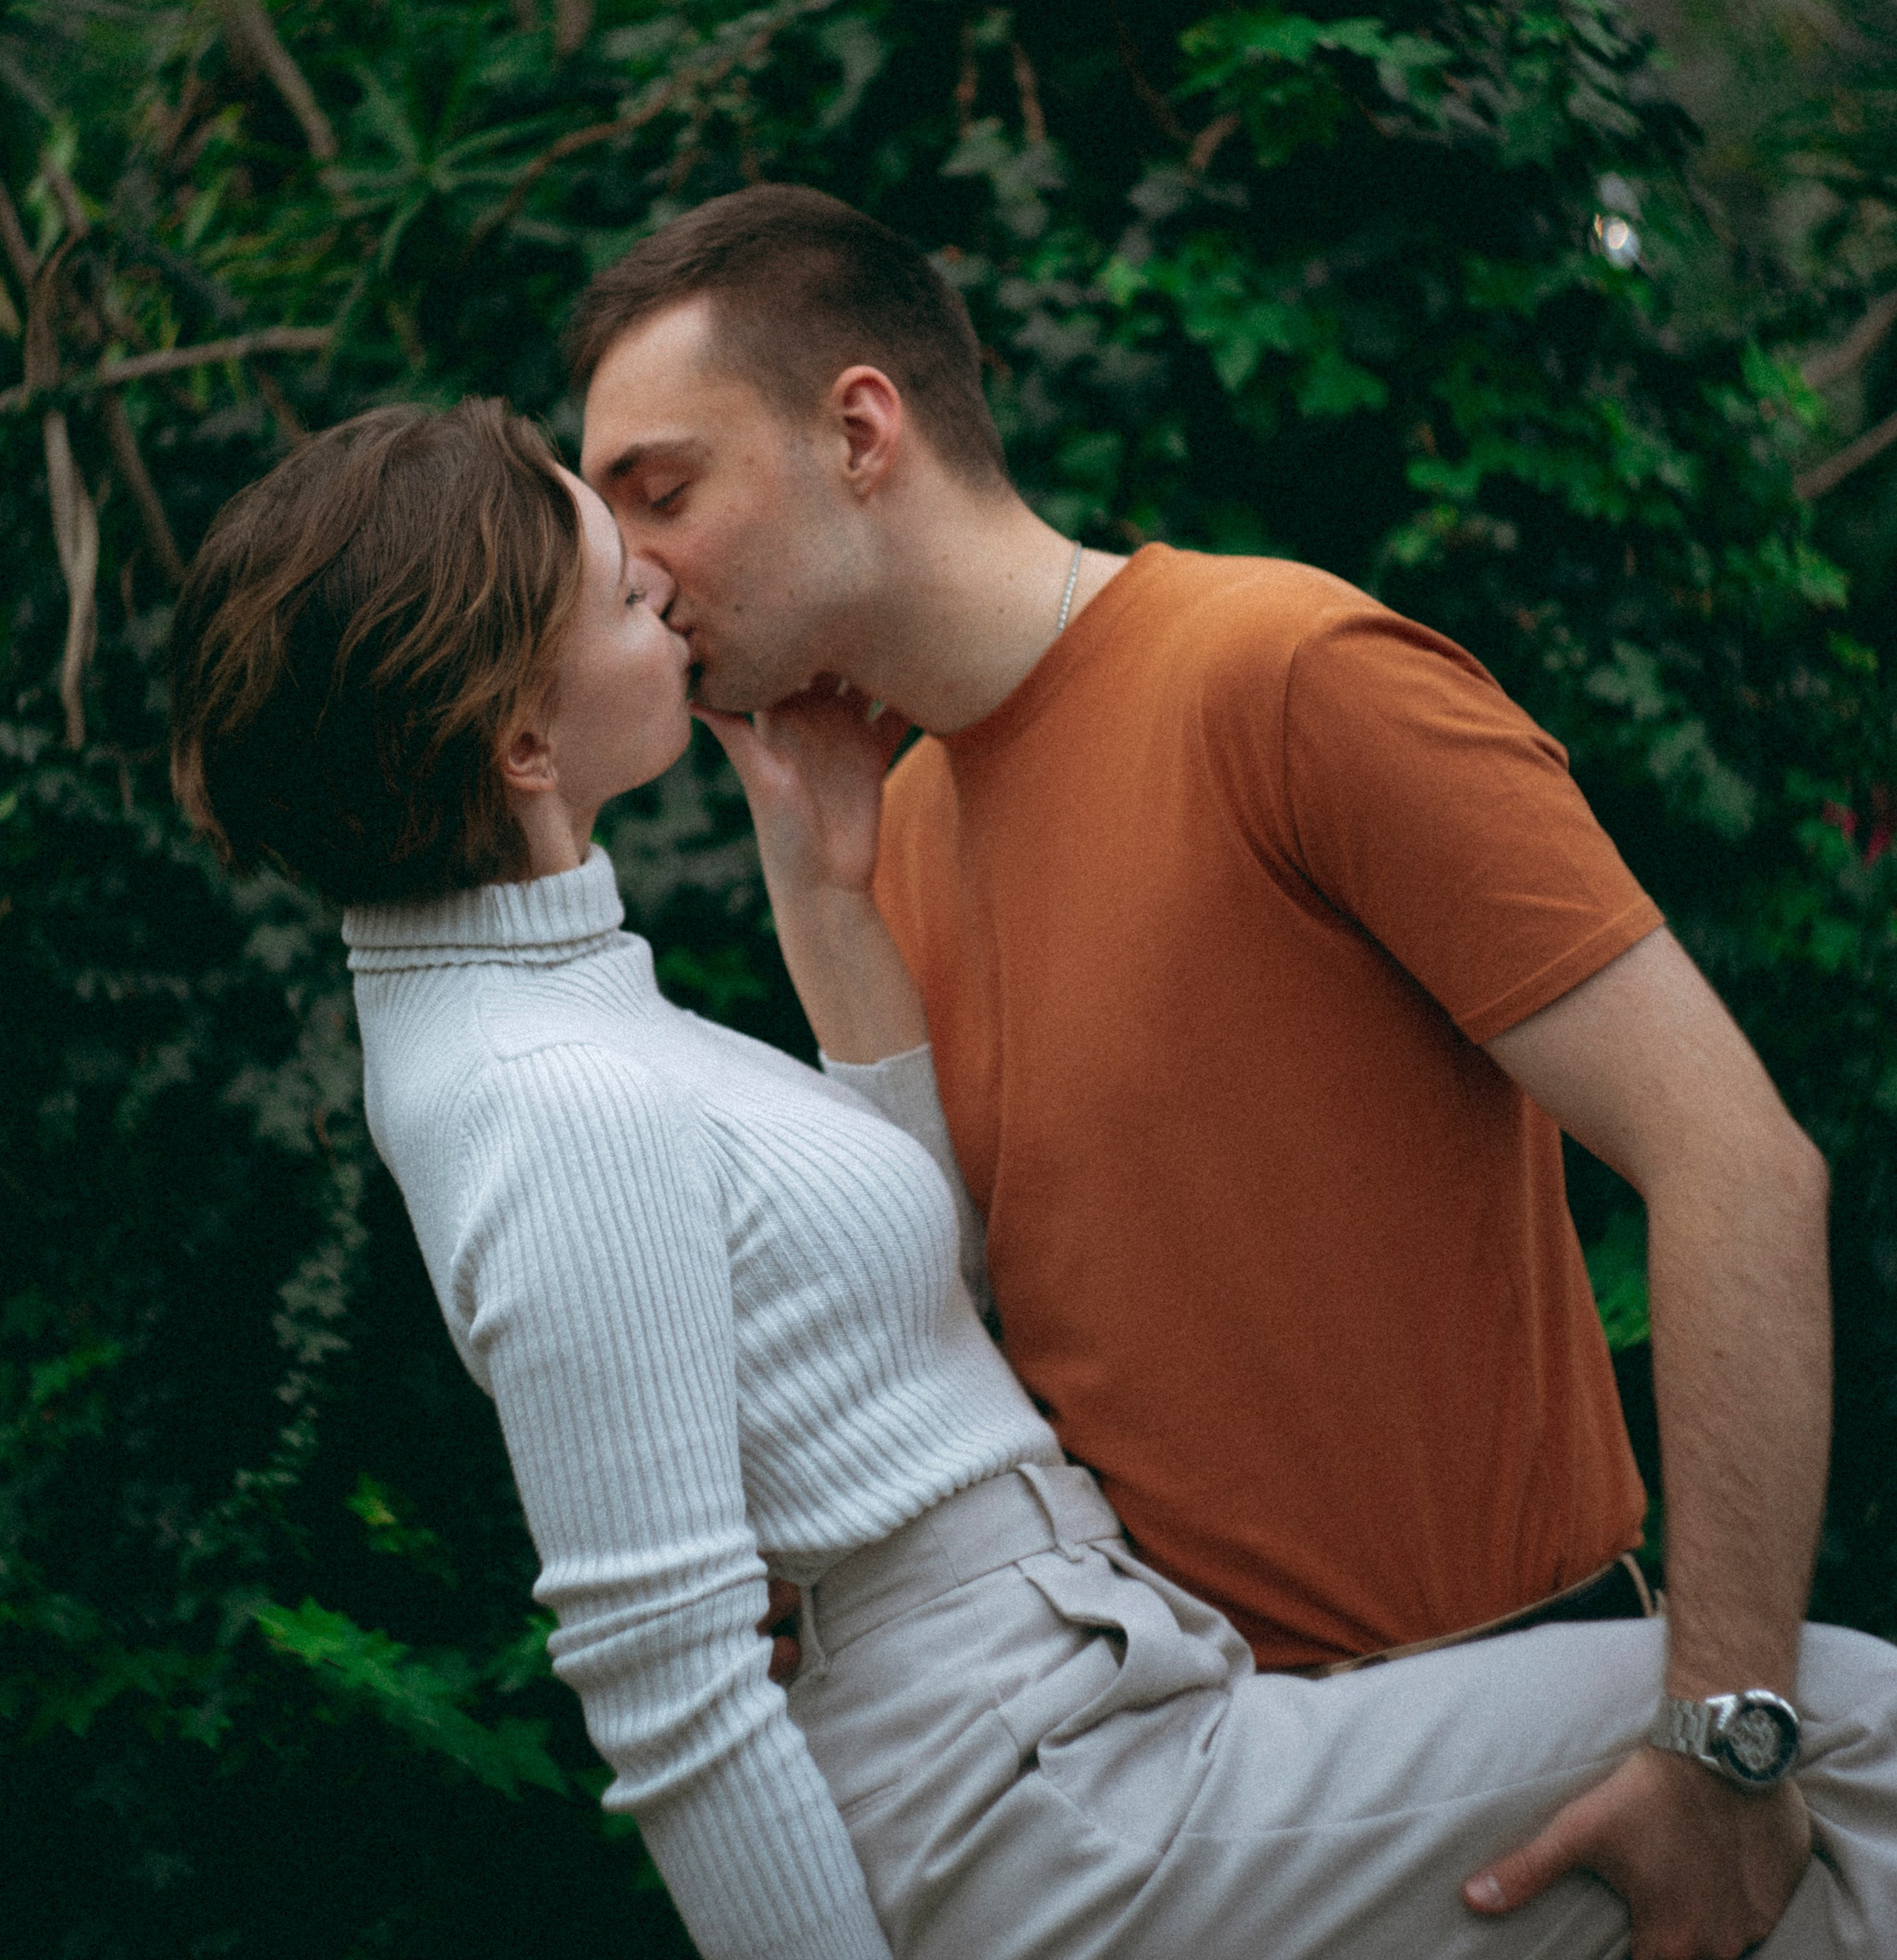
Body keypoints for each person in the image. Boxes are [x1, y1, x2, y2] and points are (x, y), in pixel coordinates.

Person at [165, 394, 1897, 1960]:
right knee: (1835, 1731)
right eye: (617, 589)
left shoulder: (532, 1010)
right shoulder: (545, 1092)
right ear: (517, 747)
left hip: (1073, 1710)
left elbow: (902, 1299)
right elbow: (673, 1685)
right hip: (1034, 1792)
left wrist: (829, 894)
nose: (665, 590)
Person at [566, 185, 1869, 1955]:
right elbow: (968, 1368)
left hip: (1528, 1798)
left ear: (859, 428)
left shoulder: (1283, 677)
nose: (634, 567)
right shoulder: (897, 835)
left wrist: (1721, 1736)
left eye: (663, 487)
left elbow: (1736, 1163)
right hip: (1175, 1830)